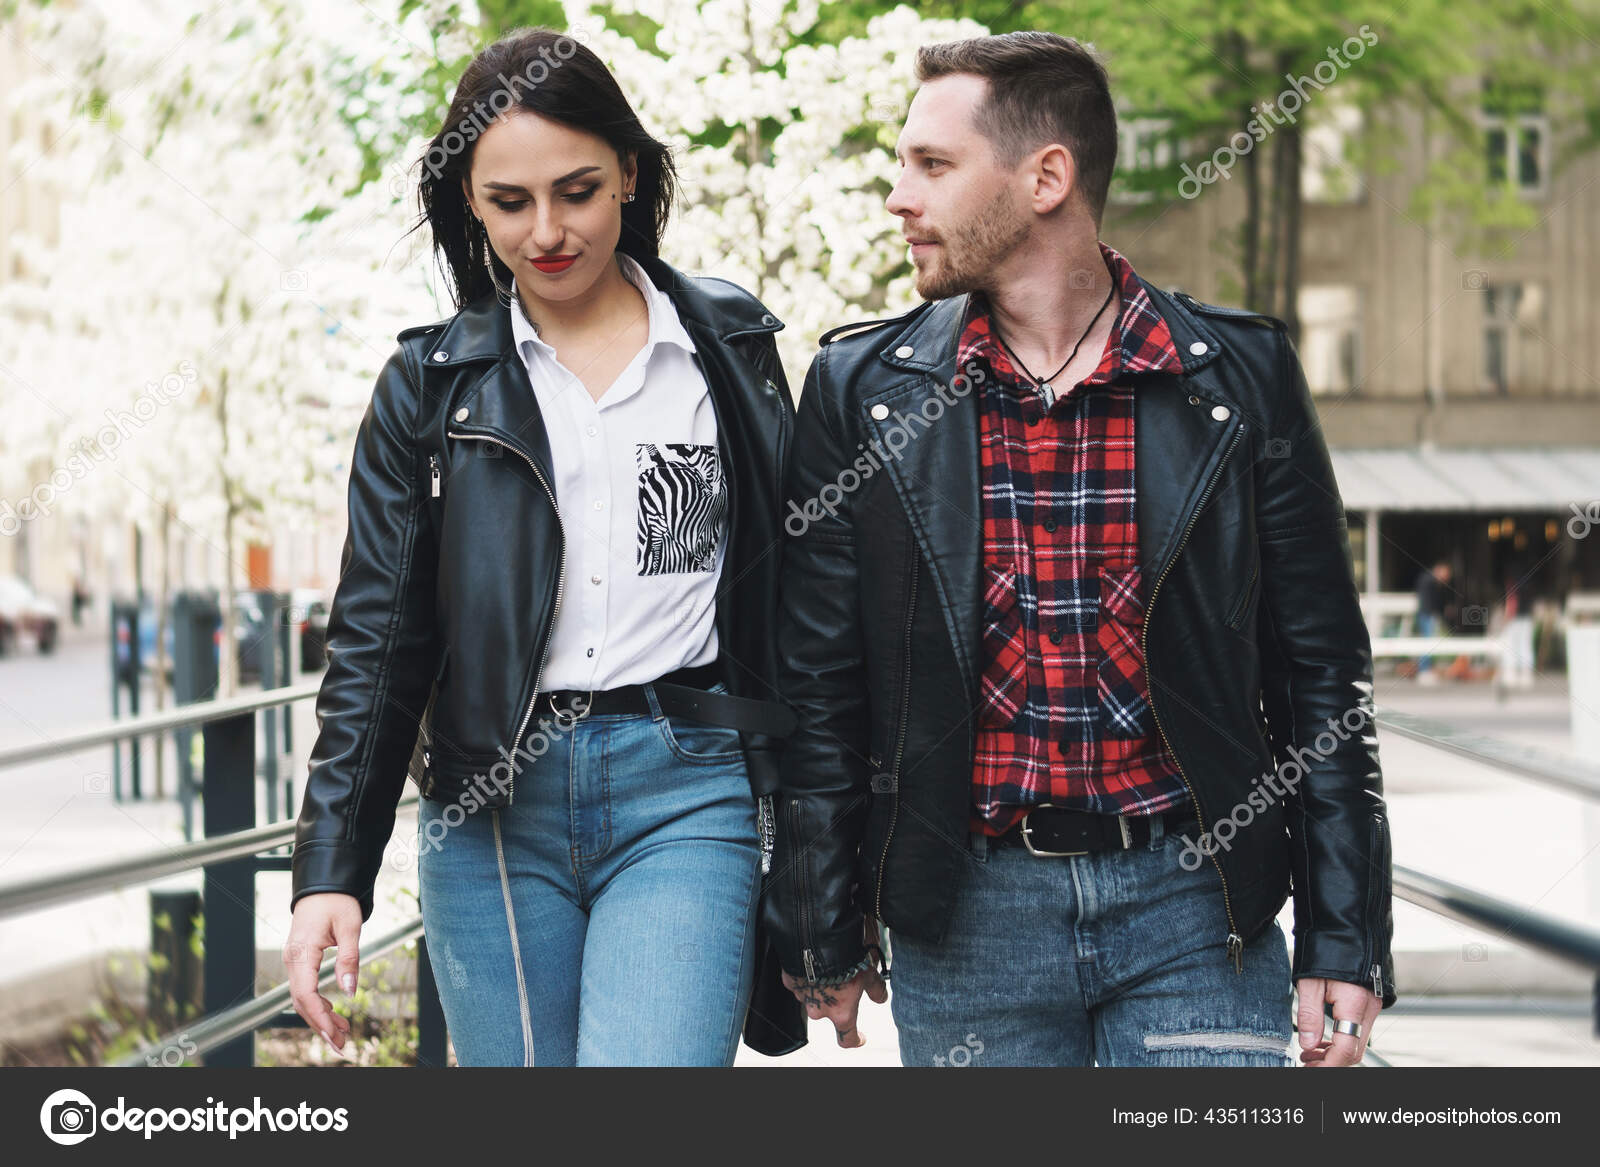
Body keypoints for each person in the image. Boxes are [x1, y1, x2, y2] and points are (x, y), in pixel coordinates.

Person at [764, 31, 1394, 1067]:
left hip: (1198, 915)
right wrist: (822, 920)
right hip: (967, 921)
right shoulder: (862, 394)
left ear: (1045, 176)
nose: (897, 198)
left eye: (931, 165)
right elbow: (824, 684)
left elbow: (1321, 672)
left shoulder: (1238, 379)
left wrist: (1346, 934)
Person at [283, 26, 805, 1066]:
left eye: (577, 191)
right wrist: (329, 872)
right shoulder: (429, 388)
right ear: (468, 203)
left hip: (686, 786)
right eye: (509, 202)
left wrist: (828, 850)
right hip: (489, 810)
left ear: (629, 176)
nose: (547, 232)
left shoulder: (729, 353)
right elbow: (377, 646)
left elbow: (797, 601)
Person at [1414, 560, 1451, 683]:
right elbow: (1432, 600)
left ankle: (1425, 669)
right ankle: (1424, 670)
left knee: (1428, 641)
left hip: (1427, 614)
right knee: (1427, 642)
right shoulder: (1430, 581)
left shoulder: (1427, 579)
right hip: (1427, 614)